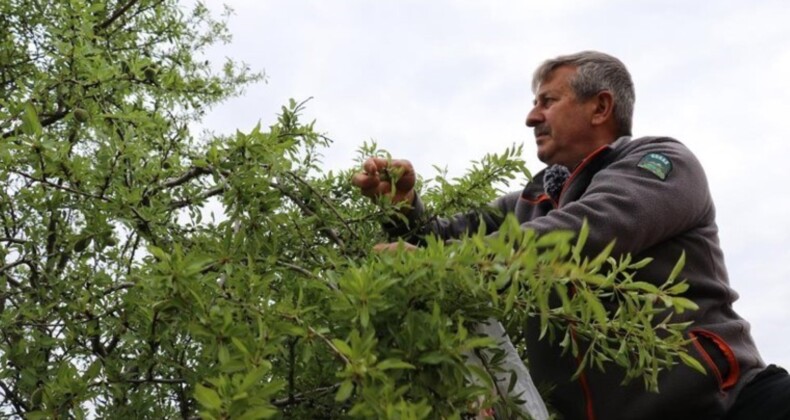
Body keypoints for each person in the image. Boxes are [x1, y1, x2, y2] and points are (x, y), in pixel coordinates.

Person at [352, 51, 790, 420]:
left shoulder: (662, 163)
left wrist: (445, 264)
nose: (530, 117)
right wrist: (404, 207)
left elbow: (585, 233)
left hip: (730, 406)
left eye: (548, 100)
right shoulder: (532, 198)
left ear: (600, 107)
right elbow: (439, 243)